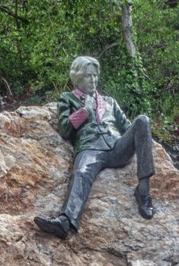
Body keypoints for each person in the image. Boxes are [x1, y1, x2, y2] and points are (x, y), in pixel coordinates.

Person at [34, 56, 156, 239]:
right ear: (77, 78)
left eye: (95, 76)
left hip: (116, 147)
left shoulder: (110, 101)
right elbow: (65, 129)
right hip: (90, 148)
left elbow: (129, 127)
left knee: (143, 121)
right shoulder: (67, 98)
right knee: (82, 172)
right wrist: (85, 111)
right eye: (87, 76)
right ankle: (66, 221)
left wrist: (143, 137)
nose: (93, 80)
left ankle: (143, 192)